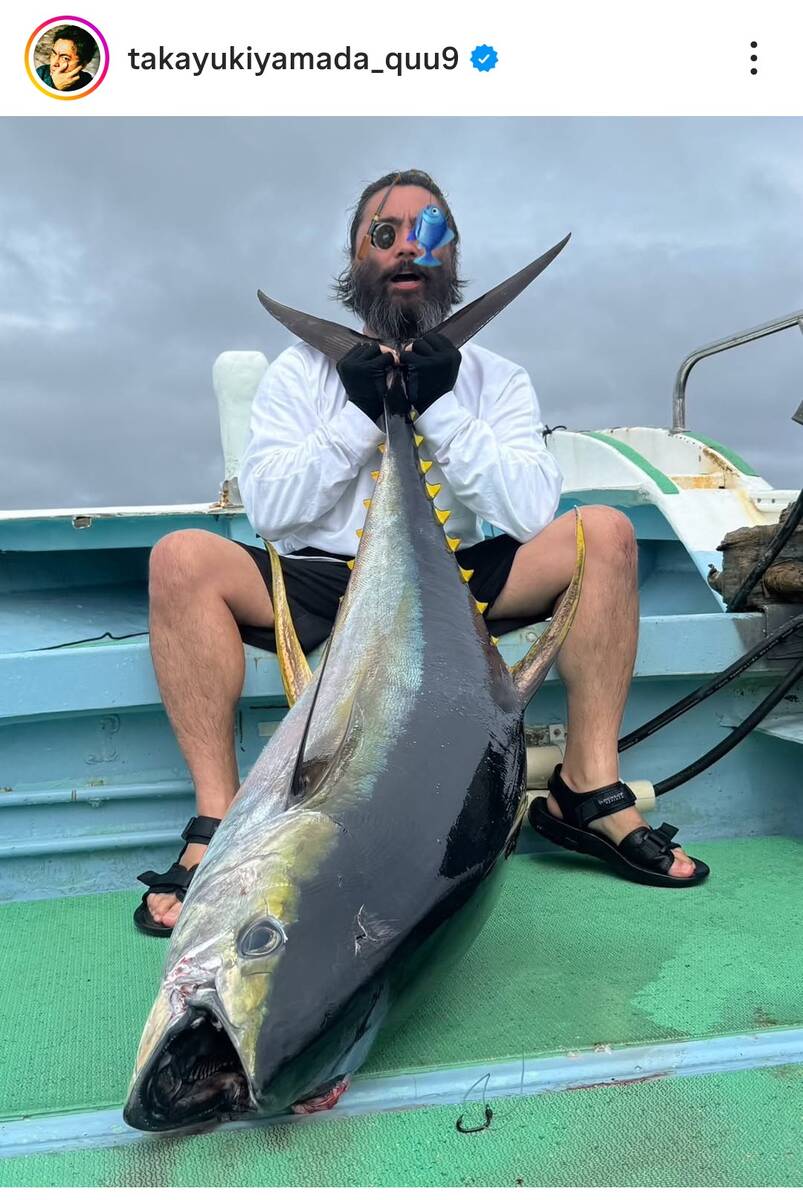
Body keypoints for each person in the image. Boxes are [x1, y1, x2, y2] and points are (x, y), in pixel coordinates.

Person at [135, 169, 707, 937]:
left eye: (429, 231)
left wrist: (438, 406)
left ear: (451, 255)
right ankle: (221, 816)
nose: (408, 246)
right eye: (386, 232)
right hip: (323, 579)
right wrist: (357, 412)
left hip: (457, 578)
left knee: (602, 533)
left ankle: (585, 787)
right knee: (180, 558)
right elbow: (272, 513)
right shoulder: (298, 374)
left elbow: (528, 511)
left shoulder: (496, 378)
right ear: (357, 257)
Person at [36, 26, 96, 92]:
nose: (54, 63)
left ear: (83, 64)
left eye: (65, 58)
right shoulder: (41, 73)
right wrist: (53, 85)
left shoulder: (89, 85)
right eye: (54, 54)